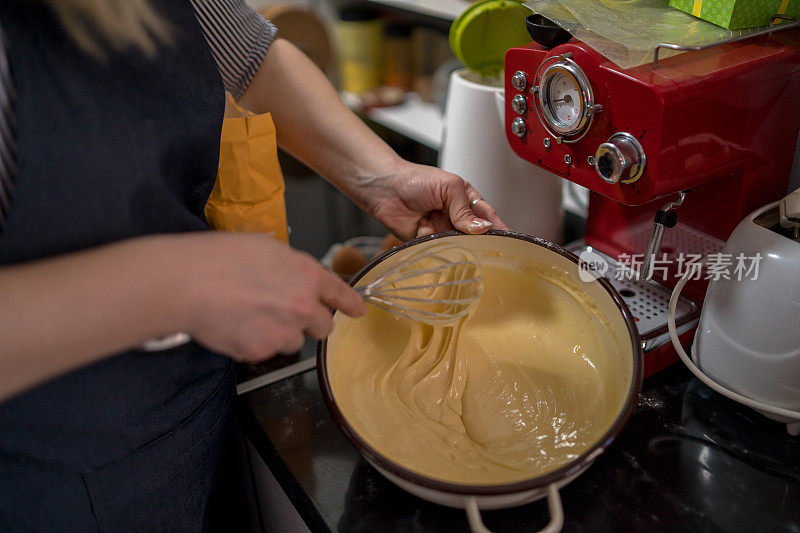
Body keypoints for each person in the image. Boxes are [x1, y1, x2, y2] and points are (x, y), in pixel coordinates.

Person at [0, 0, 506, 529]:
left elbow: (251, 59)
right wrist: (173, 284)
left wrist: (382, 180)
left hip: (193, 403)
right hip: (63, 470)